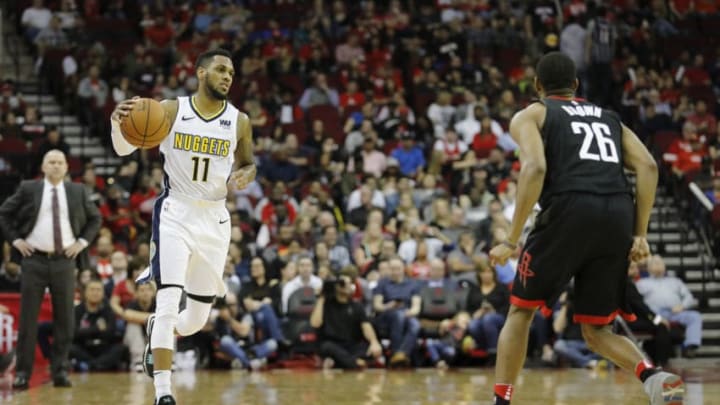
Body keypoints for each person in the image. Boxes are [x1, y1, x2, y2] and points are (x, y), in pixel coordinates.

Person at [488, 52, 684, 405]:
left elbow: (534, 168)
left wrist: (512, 239)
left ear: (537, 87)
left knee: (521, 309)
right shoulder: (609, 117)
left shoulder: (533, 113)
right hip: (618, 213)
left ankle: (502, 400)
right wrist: (639, 234)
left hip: (569, 207)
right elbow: (649, 167)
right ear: (576, 85)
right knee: (596, 328)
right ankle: (652, 376)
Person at [110, 48, 256, 405]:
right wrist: (118, 123)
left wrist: (245, 174)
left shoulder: (239, 121)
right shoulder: (171, 110)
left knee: (193, 319)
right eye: (221, 70)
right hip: (176, 211)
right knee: (168, 297)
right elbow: (123, 150)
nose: (227, 77)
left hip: (215, 219)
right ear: (201, 72)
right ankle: (164, 391)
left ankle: (158, 328)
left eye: (231, 73)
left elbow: (249, 163)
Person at [0, 149, 101, 390]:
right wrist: (16, 240)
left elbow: (95, 218)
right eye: (51, 162)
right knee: (27, 320)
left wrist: (82, 243)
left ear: (66, 167)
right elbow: (4, 213)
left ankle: (60, 371)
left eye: (60, 162)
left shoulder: (77, 191)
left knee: (65, 320)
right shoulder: (28, 188)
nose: (56, 166)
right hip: (33, 259)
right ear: (43, 167)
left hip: (65, 261)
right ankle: (23, 373)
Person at [310, 266, 383, 369]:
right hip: (332, 343)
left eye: (350, 283)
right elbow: (315, 324)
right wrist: (322, 297)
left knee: (369, 349)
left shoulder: (356, 305)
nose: (348, 286)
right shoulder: (325, 304)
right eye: (343, 283)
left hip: (351, 344)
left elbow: (366, 326)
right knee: (327, 347)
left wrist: (374, 342)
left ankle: (339, 362)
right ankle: (354, 363)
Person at [636, 255, 702, 358]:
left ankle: (690, 346)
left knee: (694, 316)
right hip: (654, 316)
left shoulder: (675, 281)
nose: (657, 265)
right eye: (654, 263)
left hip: (674, 313)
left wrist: (682, 306)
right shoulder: (641, 283)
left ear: (665, 266)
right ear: (648, 267)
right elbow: (637, 302)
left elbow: (689, 297)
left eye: (660, 263)